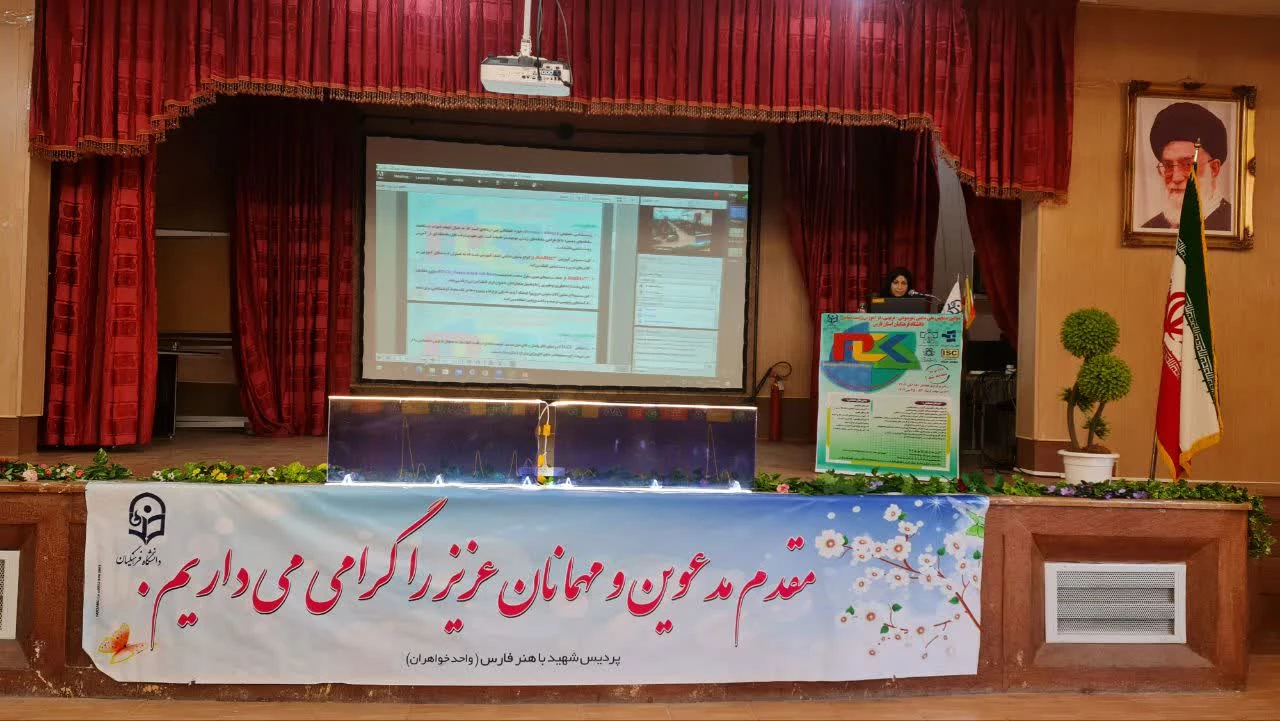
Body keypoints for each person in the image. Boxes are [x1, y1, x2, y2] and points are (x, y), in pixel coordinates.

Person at [1142, 101, 1233, 232]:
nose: (1176, 178)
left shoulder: (1233, 225)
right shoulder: (1149, 229)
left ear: (1214, 168)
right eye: (1168, 166)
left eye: (1188, 165)